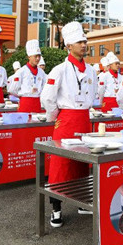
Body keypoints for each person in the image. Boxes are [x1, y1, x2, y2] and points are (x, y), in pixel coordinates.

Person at [41, 21, 97, 227]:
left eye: (85, 41)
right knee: (60, 164)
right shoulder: (59, 70)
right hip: (65, 120)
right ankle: (56, 209)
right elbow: (47, 98)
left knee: (82, 164)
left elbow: (93, 94)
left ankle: (82, 201)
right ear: (68, 46)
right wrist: (55, 116)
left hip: (83, 120)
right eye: (79, 42)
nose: (83, 45)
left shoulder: (91, 71)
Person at [8, 40, 47, 113]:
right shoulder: (21, 71)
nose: (38, 59)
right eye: (35, 56)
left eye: (39, 56)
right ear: (29, 57)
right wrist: (23, 94)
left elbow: (44, 87)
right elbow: (12, 90)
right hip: (25, 103)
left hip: (37, 103)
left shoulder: (41, 72)